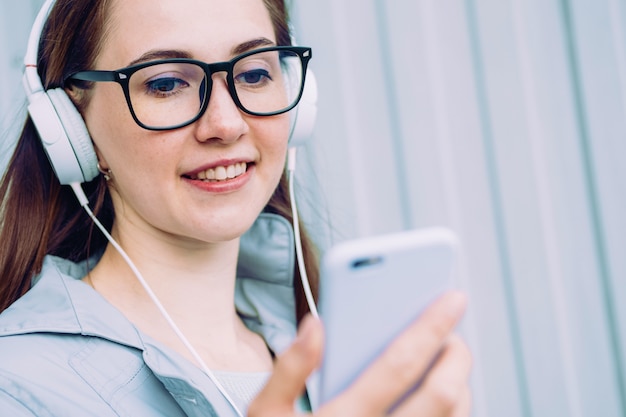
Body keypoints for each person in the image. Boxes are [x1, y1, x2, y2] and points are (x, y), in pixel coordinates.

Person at [0, 0, 472, 415]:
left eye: (253, 74)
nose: (225, 124)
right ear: (74, 130)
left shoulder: (338, 364)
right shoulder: (19, 389)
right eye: (165, 84)